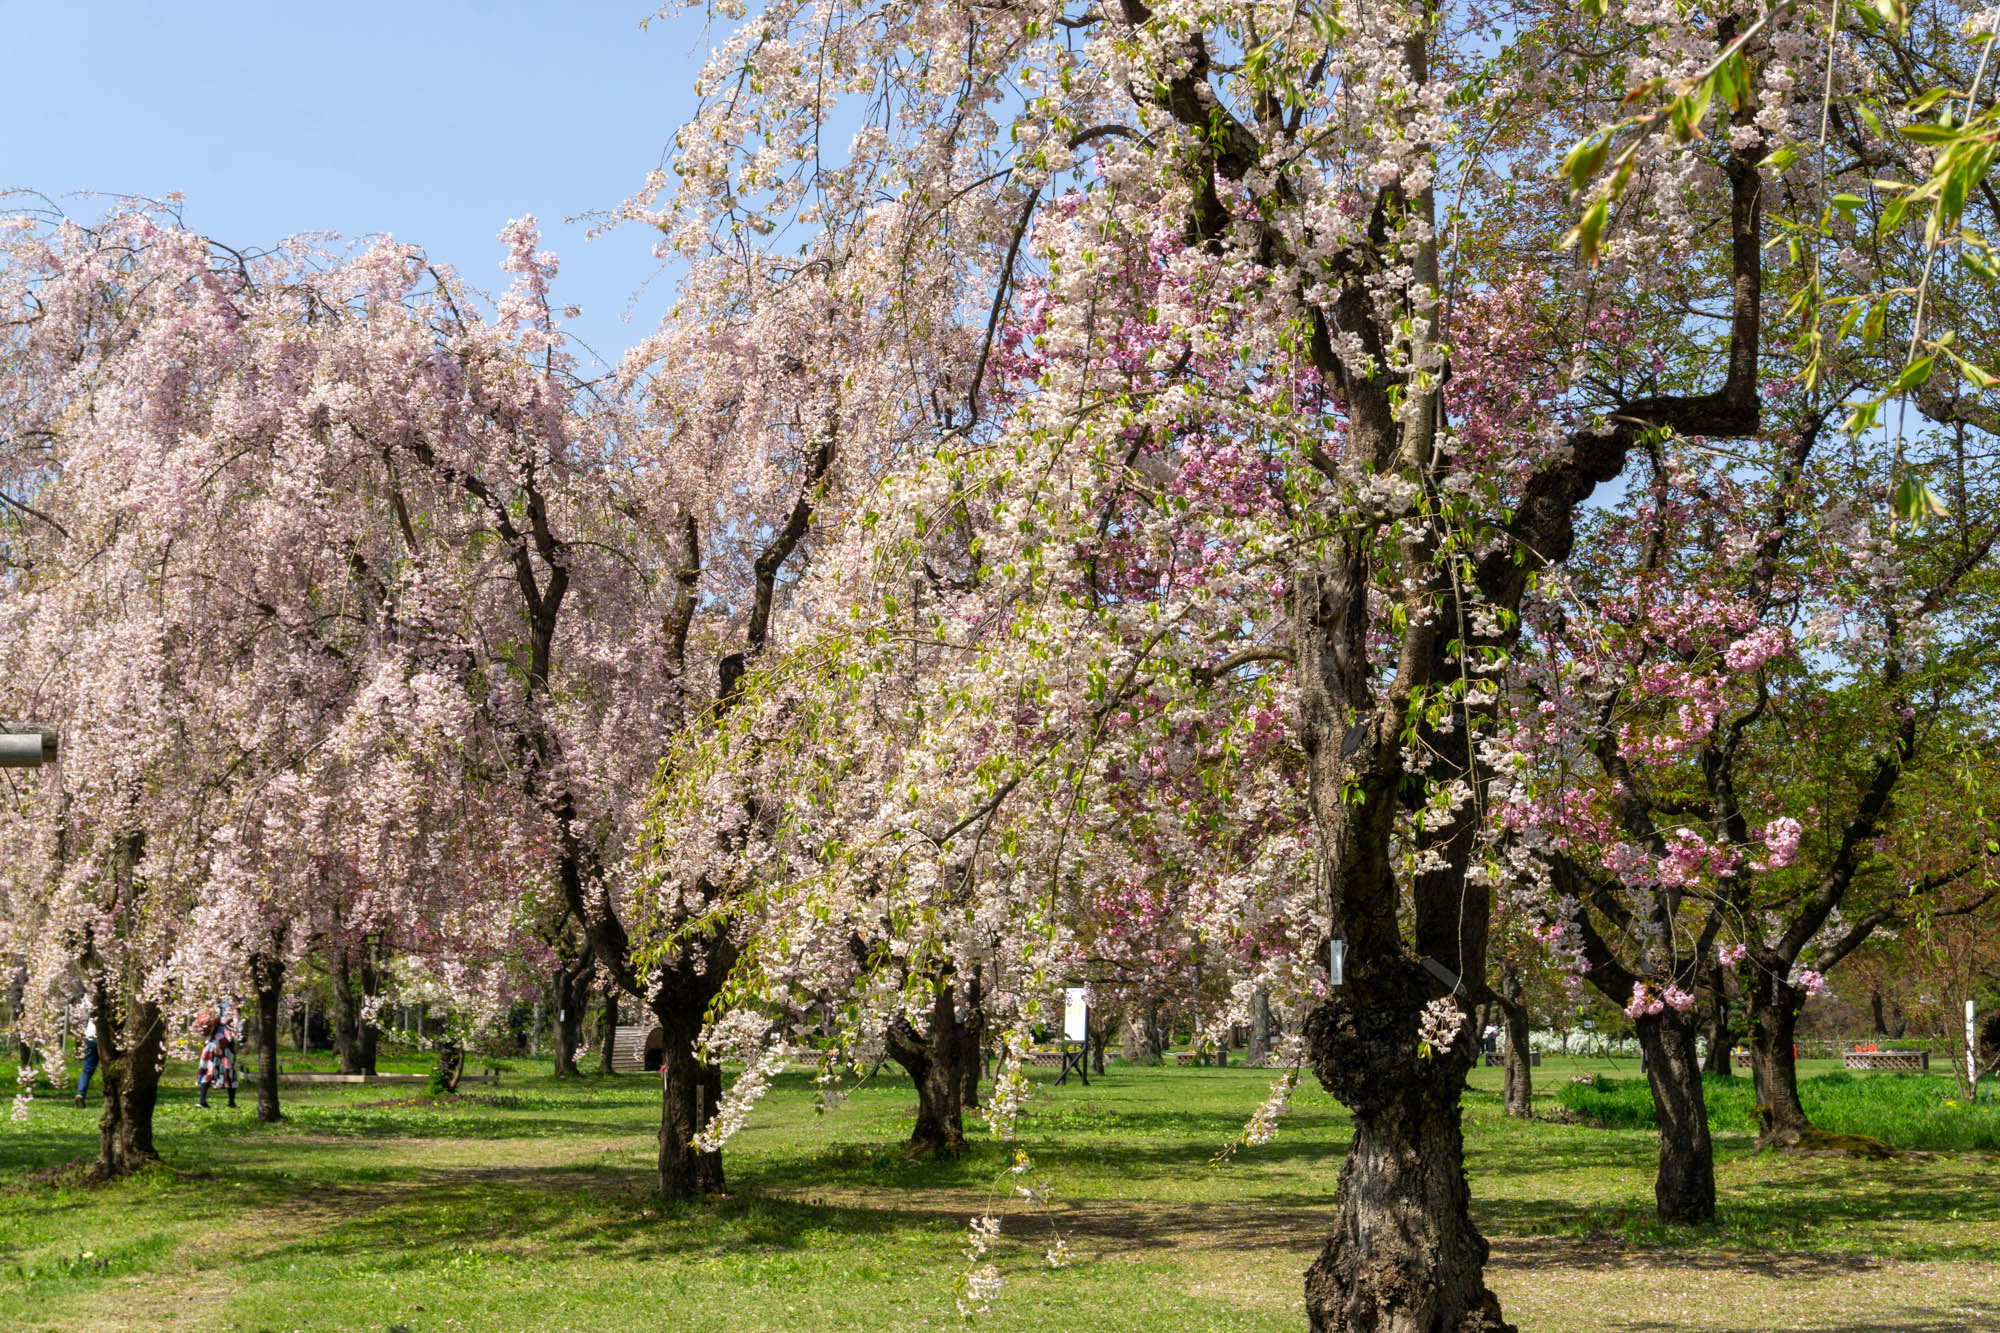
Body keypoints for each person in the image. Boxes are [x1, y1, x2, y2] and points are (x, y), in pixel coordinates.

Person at [197, 998, 241, 1109]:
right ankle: (231, 1102)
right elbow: (237, 1023)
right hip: (225, 1042)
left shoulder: (210, 1003)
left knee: (208, 1069)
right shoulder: (232, 1004)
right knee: (228, 1070)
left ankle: (202, 1100)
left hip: (211, 1042)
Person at [75, 1016, 98, 1108]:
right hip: (104, 1037)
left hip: (90, 1037)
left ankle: (80, 1094)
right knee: (108, 1068)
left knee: (87, 1071)